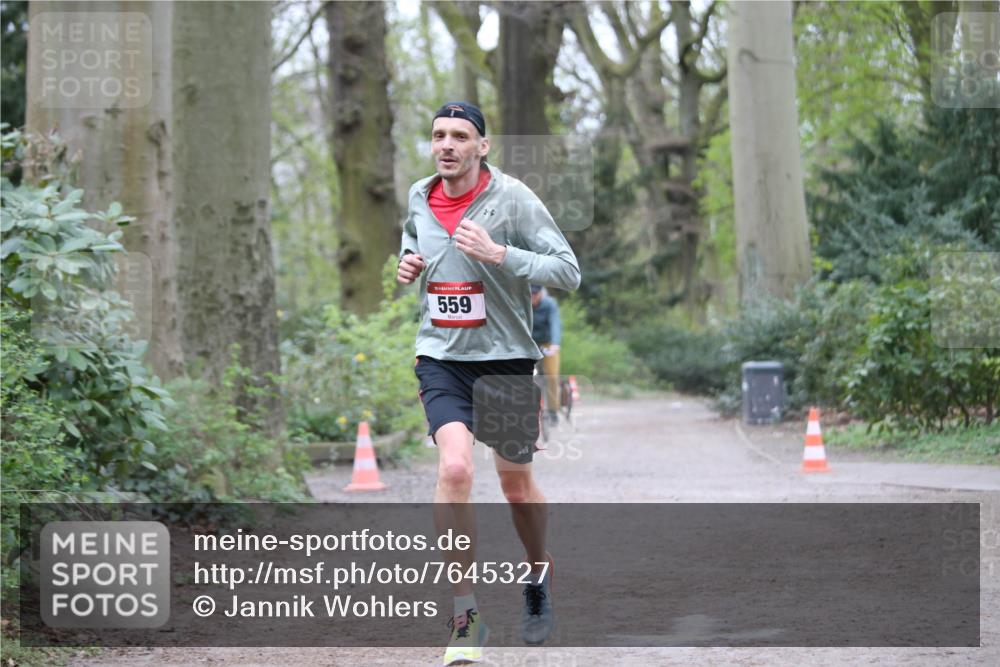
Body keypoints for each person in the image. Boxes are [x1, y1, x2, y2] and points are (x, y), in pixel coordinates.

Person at [397, 101, 580, 664]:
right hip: (442, 356)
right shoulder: (418, 197)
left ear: (483, 146)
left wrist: (502, 254)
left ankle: (537, 570)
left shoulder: (514, 198)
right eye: (438, 135)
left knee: (515, 486)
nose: (446, 145)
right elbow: (414, 243)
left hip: (503, 360)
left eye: (459, 136)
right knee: (454, 467)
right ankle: (465, 614)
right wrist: (405, 263)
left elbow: (567, 271)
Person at [530, 284, 562, 427]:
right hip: (530, 343)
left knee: (552, 376)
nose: (533, 297)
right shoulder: (523, 302)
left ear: (541, 294)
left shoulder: (549, 304)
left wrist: (555, 344)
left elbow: (555, 323)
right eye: (530, 294)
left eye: (535, 294)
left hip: (548, 344)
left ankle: (553, 411)